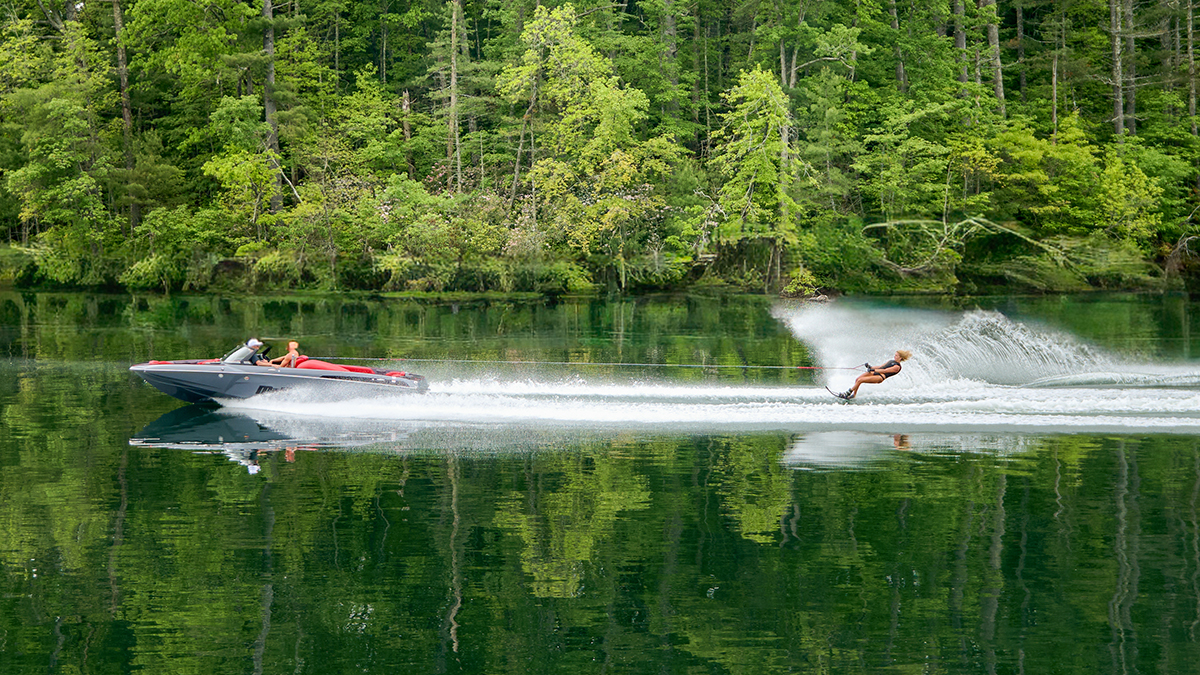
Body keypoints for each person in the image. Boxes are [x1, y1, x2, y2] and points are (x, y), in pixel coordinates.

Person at [838, 349, 912, 399]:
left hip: (880, 377)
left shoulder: (897, 367)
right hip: (876, 372)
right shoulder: (891, 361)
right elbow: (881, 366)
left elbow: (885, 371)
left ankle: (848, 393)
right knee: (857, 379)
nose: (894, 356)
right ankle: (853, 395)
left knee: (860, 380)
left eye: (896, 356)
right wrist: (870, 367)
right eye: (895, 355)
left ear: (900, 358)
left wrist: (874, 370)